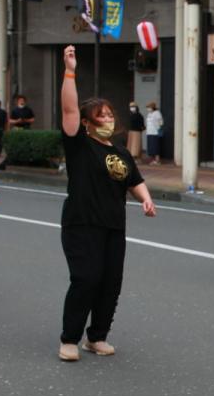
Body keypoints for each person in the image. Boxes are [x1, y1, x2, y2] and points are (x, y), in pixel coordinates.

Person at [56, 45, 157, 362]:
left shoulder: (121, 152)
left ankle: (96, 337)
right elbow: (70, 110)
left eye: (110, 114)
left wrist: (146, 198)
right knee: (86, 278)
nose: (108, 119)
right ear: (87, 122)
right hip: (82, 223)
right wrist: (70, 70)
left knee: (110, 282)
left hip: (113, 225)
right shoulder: (79, 145)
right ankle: (69, 339)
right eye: (101, 116)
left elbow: (133, 179)